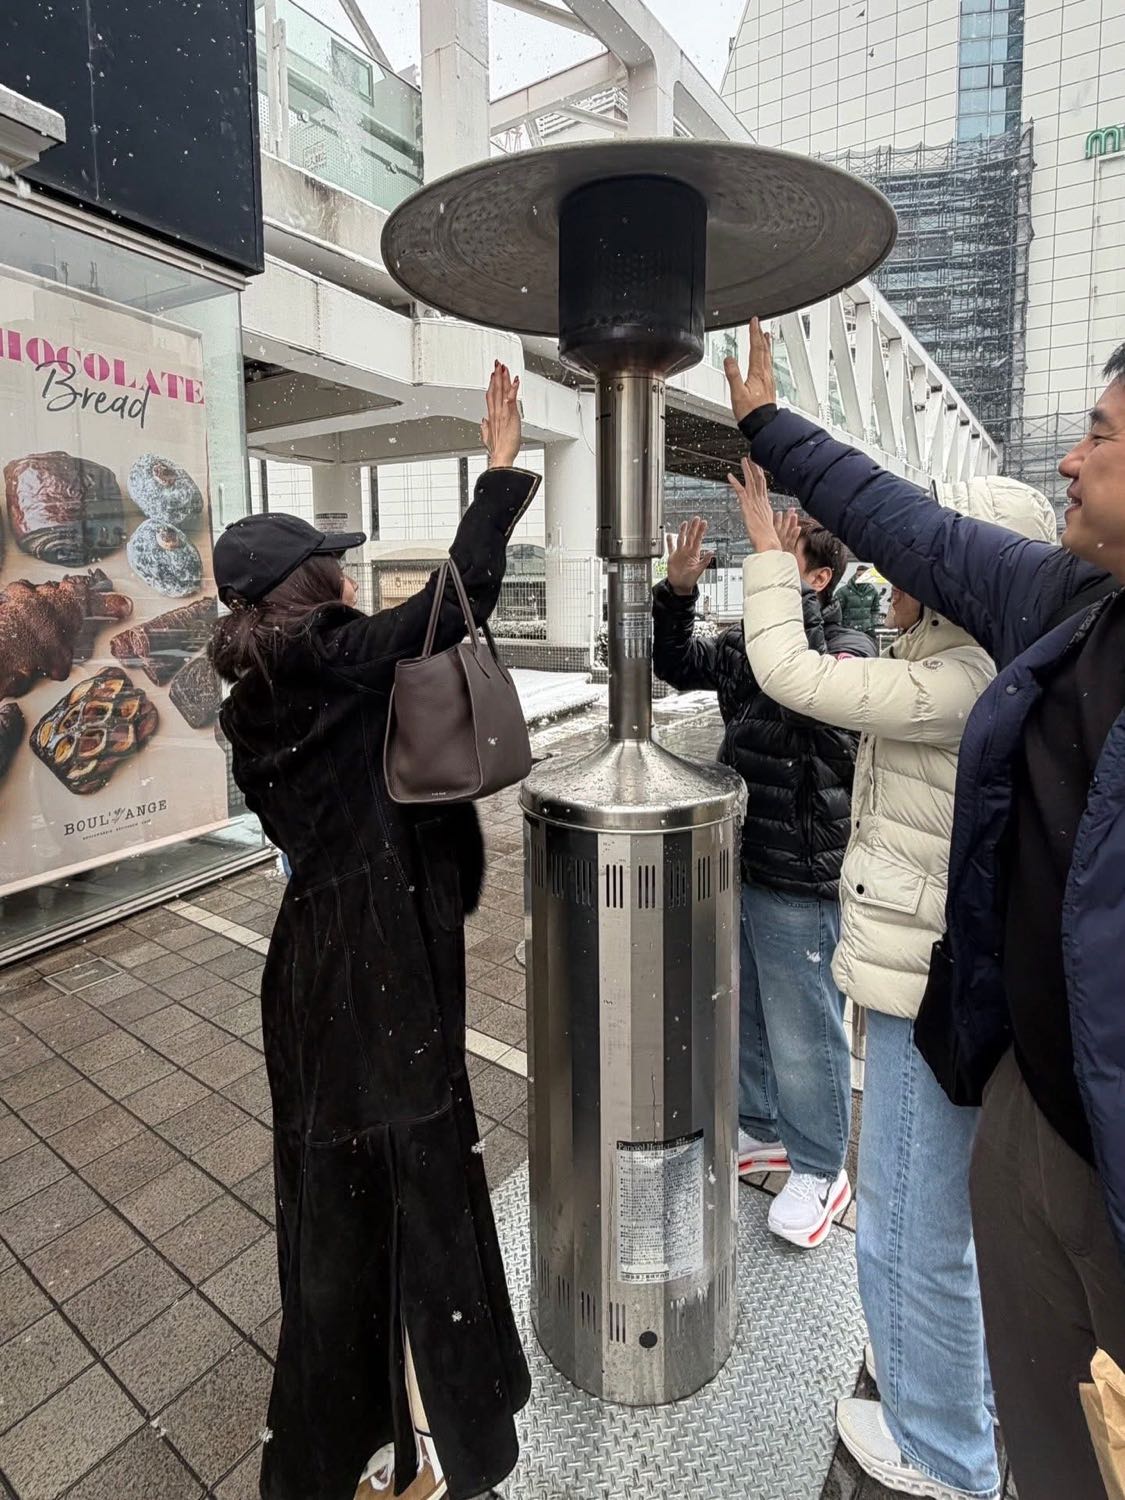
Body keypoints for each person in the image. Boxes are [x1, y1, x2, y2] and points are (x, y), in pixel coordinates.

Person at [726, 320, 1125, 1500]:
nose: (898, 572)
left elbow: (791, 675)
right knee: (972, 1246)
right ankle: (970, 1418)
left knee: (909, 1241)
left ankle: (941, 1449)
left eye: (1099, 435)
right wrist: (771, 432)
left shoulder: (965, 672)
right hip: (970, 1008)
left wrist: (765, 554)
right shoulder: (1052, 630)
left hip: (928, 992)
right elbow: (900, 532)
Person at [210, 365, 537, 1500]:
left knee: (336, 1204)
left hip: (310, 963)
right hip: (379, 964)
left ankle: (360, 1444)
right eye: (333, 562)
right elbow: (450, 606)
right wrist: (498, 476)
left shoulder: (251, 697)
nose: (348, 572)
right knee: (417, 1188)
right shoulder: (330, 661)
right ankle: (423, 1447)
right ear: (305, 587)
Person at [653, 511, 876, 1249]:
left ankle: (821, 1168)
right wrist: (677, 593)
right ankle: (761, 1129)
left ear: (817, 580)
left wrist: (782, 595)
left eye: (779, 562)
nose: (760, 575)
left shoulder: (847, 648)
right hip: (744, 860)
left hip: (802, 871)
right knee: (745, 1007)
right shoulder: (747, 645)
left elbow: (807, 697)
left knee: (804, 1025)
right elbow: (676, 663)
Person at [835, 564, 883, 639]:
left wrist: (872, 623)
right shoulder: (842, 592)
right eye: (859, 575)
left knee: (873, 645)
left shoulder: (873, 591)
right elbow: (836, 611)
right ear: (855, 575)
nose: (861, 578)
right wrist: (841, 627)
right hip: (848, 631)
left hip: (867, 630)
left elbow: (875, 610)